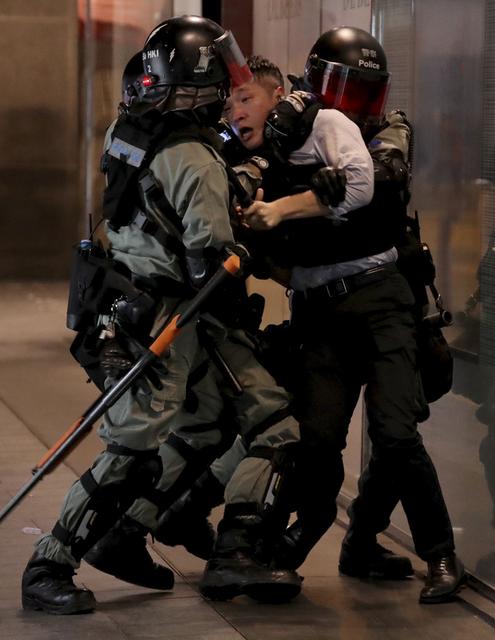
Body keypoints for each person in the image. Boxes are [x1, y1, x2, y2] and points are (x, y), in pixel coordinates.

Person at [20, 16, 300, 614]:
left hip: (125, 301)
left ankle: (124, 535)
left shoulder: (129, 130)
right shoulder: (196, 161)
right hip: (166, 320)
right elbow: (210, 260)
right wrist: (245, 244)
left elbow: (169, 182)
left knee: (200, 429)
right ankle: (50, 561)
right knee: (132, 447)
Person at [237, 27, 465, 604]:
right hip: (319, 305)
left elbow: (380, 182)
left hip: (382, 296)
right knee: (316, 440)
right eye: (344, 92)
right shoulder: (287, 130)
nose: (355, 107)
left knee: (395, 432)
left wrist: (312, 195)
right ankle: (287, 546)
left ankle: (438, 554)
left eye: (366, 95)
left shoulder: (386, 132)